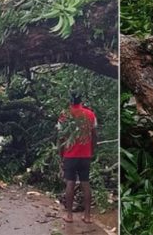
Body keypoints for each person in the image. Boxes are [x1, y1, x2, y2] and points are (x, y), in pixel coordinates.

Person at [57, 92, 97, 224]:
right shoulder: (90, 114)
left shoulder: (65, 115)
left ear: (70, 101)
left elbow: (61, 137)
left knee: (70, 183)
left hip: (70, 155)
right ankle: (87, 216)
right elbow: (94, 134)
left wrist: (61, 156)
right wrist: (92, 151)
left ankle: (69, 215)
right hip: (85, 155)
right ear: (81, 101)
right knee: (85, 183)